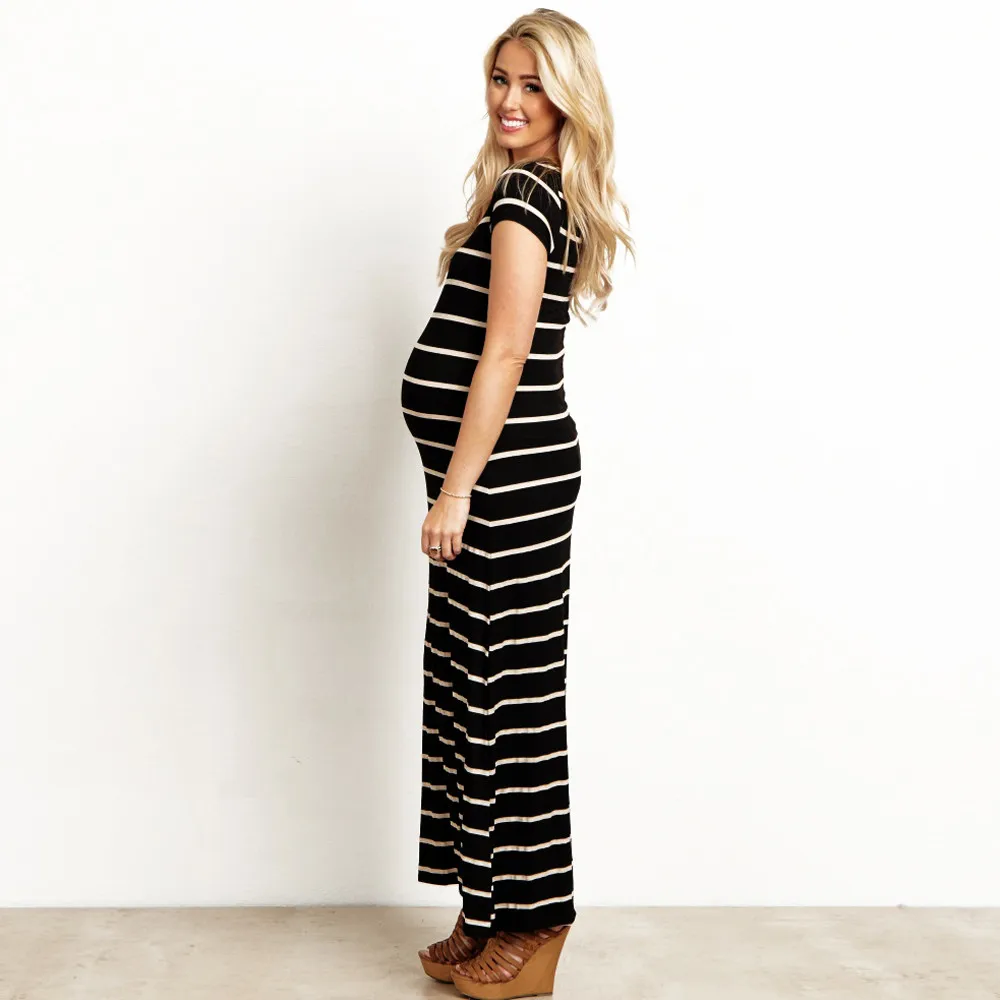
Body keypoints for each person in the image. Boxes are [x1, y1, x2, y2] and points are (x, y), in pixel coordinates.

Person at [400, 9, 634, 998]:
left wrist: (456, 489)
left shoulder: (526, 204)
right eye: (501, 78)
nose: (509, 99)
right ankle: (487, 906)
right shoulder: (524, 193)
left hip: (504, 484)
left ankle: (535, 921)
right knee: (473, 693)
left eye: (533, 84)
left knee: (512, 702)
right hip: (502, 479)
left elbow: (503, 355)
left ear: (567, 98)